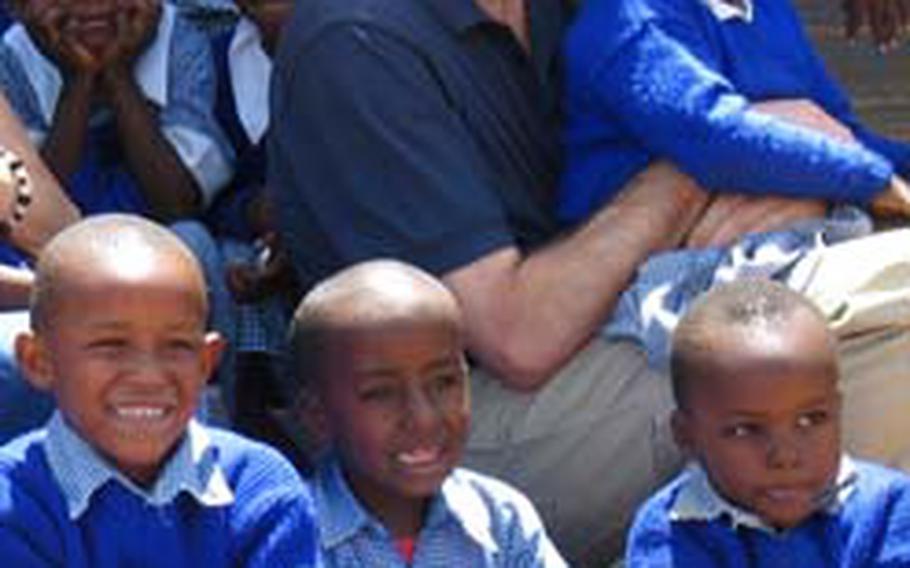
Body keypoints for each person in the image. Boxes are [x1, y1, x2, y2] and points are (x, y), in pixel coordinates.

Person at [269, 0, 910, 562]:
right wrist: (694, 168)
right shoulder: (357, 40)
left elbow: (795, 122)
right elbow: (517, 338)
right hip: (455, 438)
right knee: (824, 359)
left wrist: (791, 169)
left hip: (632, 324)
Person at [0, 213, 320, 566]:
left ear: (206, 362)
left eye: (177, 346)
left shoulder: (258, 486)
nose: (149, 375)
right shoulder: (14, 497)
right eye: (111, 345)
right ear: (38, 361)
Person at [287, 259, 566, 566]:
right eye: (380, 393)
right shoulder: (290, 537)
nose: (424, 417)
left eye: (444, 382)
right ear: (317, 415)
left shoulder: (500, 518)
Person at [626, 279, 910, 566]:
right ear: (686, 436)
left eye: (810, 419)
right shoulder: (671, 528)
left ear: (838, 412)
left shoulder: (889, 507)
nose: (785, 456)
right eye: (744, 429)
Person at [0, 0, 232, 222]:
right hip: (55, 242)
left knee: (192, 237)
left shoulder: (178, 41)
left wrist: (119, 75)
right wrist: (78, 81)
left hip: (157, 239)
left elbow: (178, 206)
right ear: (20, 7)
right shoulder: (12, 55)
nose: (92, 6)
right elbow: (34, 212)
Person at [204, 0, 298, 428]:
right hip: (254, 255)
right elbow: (209, 195)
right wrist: (253, 211)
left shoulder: (373, 41)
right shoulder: (219, 57)